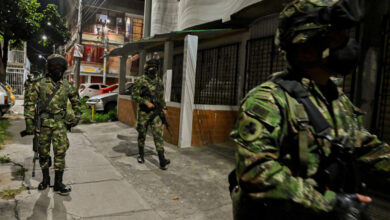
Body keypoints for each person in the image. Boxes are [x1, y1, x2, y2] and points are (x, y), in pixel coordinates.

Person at [229, 0, 390, 219]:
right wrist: (331, 204)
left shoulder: (335, 97)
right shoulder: (270, 100)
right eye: (337, 38)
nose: (349, 45)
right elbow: (255, 171)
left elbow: (361, 144)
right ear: (306, 50)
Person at [24, 54, 81, 195]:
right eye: (54, 66)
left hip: (60, 125)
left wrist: (75, 118)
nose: (57, 69)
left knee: (60, 153)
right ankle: (45, 179)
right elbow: (29, 104)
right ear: (49, 67)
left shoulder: (67, 86)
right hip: (43, 125)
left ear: (64, 68)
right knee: (43, 153)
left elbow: (77, 104)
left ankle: (58, 183)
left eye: (60, 66)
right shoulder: (39, 83)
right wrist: (29, 123)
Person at [132, 58, 170, 170]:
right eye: (151, 67)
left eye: (155, 67)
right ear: (147, 68)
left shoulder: (159, 81)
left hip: (156, 112)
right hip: (144, 112)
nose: (153, 69)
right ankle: (141, 155)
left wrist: (165, 108)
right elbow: (134, 95)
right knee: (142, 134)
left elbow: (161, 97)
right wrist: (145, 102)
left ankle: (162, 160)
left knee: (158, 134)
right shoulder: (141, 80)